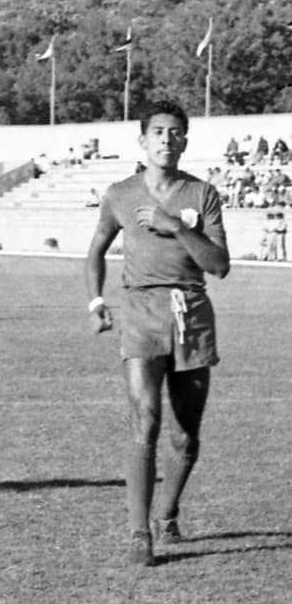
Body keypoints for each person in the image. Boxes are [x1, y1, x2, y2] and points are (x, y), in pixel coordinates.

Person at [85, 99, 230, 568]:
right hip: (141, 311)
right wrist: (96, 301)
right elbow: (96, 251)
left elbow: (219, 265)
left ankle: (168, 513)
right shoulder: (119, 193)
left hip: (191, 313)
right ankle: (138, 531)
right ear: (143, 140)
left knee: (185, 437)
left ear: (185, 140)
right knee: (144, 418)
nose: (167, 140)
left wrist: (174, 227)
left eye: (176, 132)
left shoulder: (202, 194)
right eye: (159, 132)